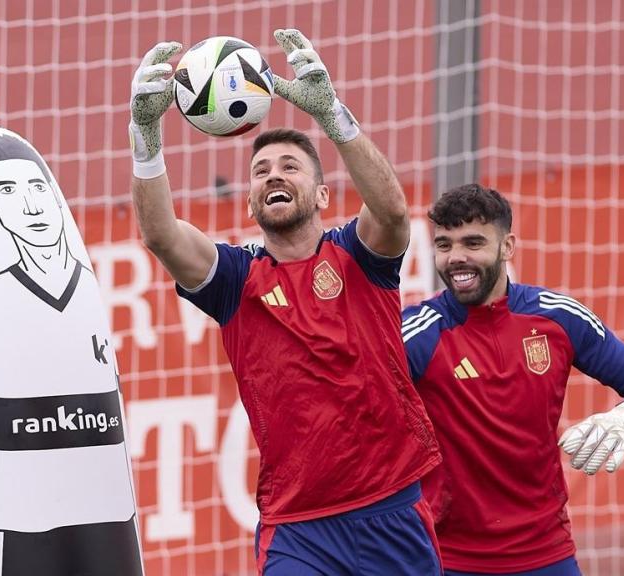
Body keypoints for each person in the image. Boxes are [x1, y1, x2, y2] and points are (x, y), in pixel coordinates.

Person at [129, 30, 442, 574]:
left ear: (322, 195)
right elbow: (162, 236)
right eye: (261, 171)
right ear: (251, 205)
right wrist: (146, 136)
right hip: (298, 528)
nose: (273, 173)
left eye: (290, 167)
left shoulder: (359, 257)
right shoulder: (236, 280)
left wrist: (331, 115)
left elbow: (392, 212)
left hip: (391, 506)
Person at [401, 184, 624, 576]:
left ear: (507, 246)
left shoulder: (556, 316)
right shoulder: (417, 333)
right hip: (450, 559)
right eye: (444, 245)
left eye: (473, 242)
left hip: (547, 554)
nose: (456, 257)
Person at [0, 133, 141, 576]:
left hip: (112, 531)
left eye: (37, 187)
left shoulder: (99, 290)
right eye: (8, 190)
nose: (31, 206)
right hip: (24, 536)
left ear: (53, 193)